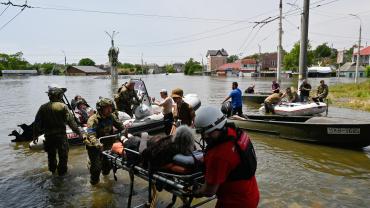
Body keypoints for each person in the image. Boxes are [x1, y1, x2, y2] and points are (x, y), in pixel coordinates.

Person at [193, 106, 259, 208]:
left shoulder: (218, 155)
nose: (204, 137)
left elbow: (209, 191)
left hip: (235, 203)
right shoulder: (236, 132)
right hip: (251, 194)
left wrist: (197, 191)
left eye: (203, 132)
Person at [32, 84, 82, 176]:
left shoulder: (43, 107)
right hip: (61, 137)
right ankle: (61, 177)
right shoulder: (63, 106)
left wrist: (35, 135)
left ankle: (52, 173)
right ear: (59, 95)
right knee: (63, 157)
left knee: (51, 157)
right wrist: (79, 133)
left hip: (49, 137)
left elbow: (37, 123)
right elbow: (71, 123)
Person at [84, 97, 125, 185]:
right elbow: (91, 135)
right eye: (107, 107)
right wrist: (98, 144)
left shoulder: (111, 116)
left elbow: (121, 126)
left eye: (110, 107)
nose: (109, 110)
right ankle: (94, 183)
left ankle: (105, 177)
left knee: (107, 167)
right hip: (94, 145)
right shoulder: (93, 120)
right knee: (96, 169)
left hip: (107, 143)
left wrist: (124, 133)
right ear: (100, 108)